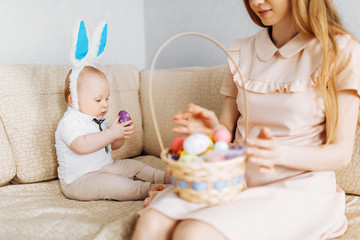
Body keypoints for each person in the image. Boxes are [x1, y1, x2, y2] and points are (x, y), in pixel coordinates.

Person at [132, 0, 360, 239]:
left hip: (300, 188)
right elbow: (226, 131)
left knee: (194, 233)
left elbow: (341, 154)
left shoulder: (340, 50)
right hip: (232, 179)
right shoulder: (241, 51)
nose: (255, 2)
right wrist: (213, 132)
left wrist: (279, 153)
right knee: (151, 223)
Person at [55, 66, 171, 203]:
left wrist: (120, 134)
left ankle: (163, 176)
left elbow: (114, 146)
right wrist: (111, 133)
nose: (105, 105)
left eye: (107, 99)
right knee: (112, 184)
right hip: (78, 180)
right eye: (98, 100)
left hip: (105, 167)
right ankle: (148, 189)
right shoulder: (70, 122)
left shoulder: (99, 119)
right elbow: (81, 145)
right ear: (73, 99)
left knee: (133, 166)